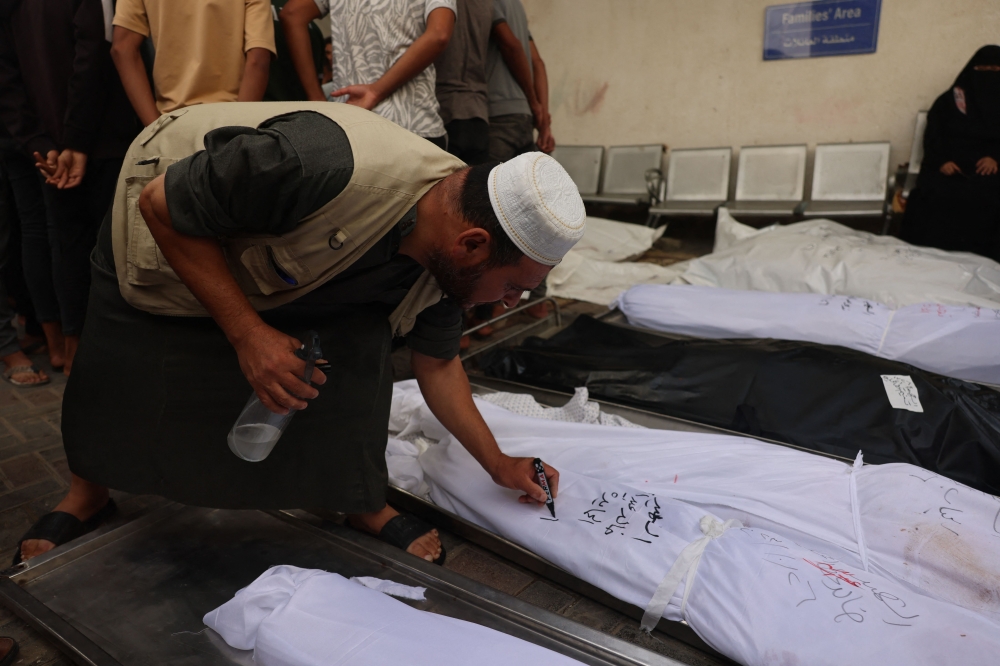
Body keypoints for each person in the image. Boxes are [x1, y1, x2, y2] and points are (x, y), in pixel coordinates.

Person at [14, 102, 586, 566]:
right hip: (166, 219)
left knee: (360, 359)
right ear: (473, 244)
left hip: (290, 265)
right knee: (123, 361)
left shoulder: (449, 261)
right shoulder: (320, 163)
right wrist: (247, 334)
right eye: (513, 286)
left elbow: (437, 365)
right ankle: (87, 492)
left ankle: (357, 501)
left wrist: (499, 464)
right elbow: (162, 205)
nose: (511, 302)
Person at [0, 0, 138, 376]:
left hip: (51, 143)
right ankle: (103, 347)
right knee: (109, 245)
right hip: (97, 138)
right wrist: (72, 141)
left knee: (61, 241)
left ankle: (70, 345)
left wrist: (39, 142)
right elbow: (91, 53)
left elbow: (7, 78)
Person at [280, 0, 456, 146]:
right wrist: (376, 91)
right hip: (414, 124)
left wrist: (317, 98)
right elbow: (438, 33)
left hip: (350, 125)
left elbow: (293, 14)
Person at [901, 45, 1000, 262]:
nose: (989, 74)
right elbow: (933, 137)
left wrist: (995, 158)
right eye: (982, 68)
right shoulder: (949, 102)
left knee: (989, 199)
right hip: (950, 170)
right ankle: (928, 262)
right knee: (930, 196)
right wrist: (941, 161)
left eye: (995, 69)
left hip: (991, 174)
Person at [110, 0, 276, 126]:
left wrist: (154, 129)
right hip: (229, 118)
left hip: (173, 124)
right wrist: (237, 133)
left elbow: (123, 47)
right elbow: (258, 58)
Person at [486, 0, 554, 162]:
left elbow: (511, 46)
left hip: (497, 113)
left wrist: (533, 102)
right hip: (523, 116)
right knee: (521, 185)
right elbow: (537, 63)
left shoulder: (487, 3)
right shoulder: (516, 5)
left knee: (488, 185)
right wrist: (543, 121)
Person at [435, 0, 493, 165]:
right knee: (475, 188)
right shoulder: (487, 4)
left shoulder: (439, 6)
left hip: (446, 109)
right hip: (478, 110)